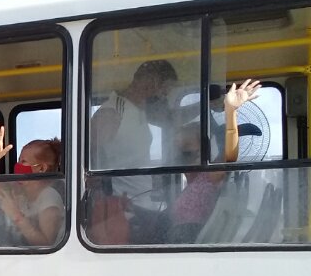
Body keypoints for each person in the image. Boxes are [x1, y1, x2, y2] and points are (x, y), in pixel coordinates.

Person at [88, 59, 178, 243]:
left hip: (143, 204)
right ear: (152, 82)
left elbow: (172, 119)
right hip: (124, 208)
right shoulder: (112, 112)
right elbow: (89, 154)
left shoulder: (141, 110)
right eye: (165, 89)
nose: (166, 95)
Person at [165, 79, 261, 243]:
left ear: (201, 151)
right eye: (179, 150)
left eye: (187, 146)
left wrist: (231, 111)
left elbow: (230, 156)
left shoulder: (209, 177)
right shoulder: (191, 183)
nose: (181, 155)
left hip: (186, 239)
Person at [0, 125, 65, 246]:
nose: (17, 165)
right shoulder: (18, 190)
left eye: (23, 161)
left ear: (41, 168)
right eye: (18, 160)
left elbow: (45, 245)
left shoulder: (50, 199)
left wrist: (16, 215)